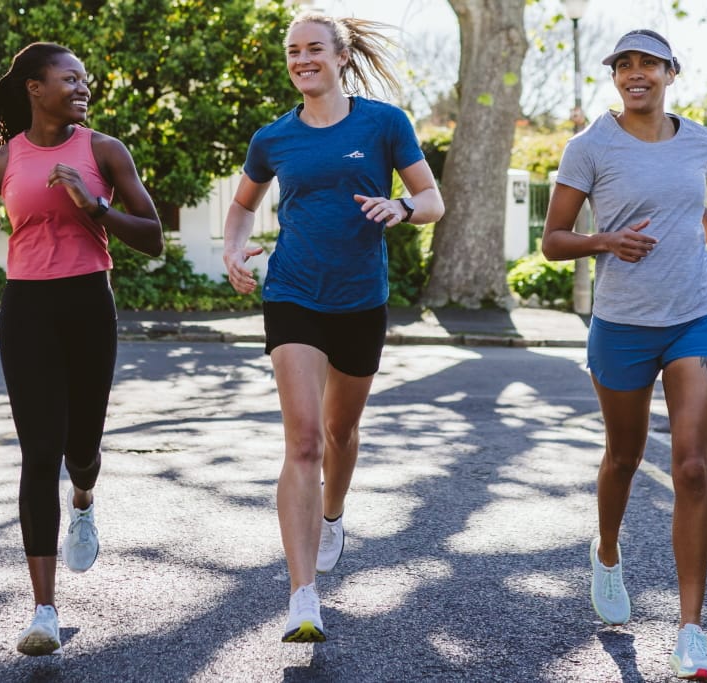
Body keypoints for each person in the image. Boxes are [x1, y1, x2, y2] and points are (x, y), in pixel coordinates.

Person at [542, 29, 707, 682]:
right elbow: (553, 242)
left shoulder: (698, 139)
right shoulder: (590, 146)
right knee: (623, 456)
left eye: (648, 62)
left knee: (694, 466)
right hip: (621, 325)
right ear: (615, 77)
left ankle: (690, 632)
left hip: (695, 317)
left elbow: (692, 211)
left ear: (672, 72)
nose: (635, 72)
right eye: (624, 64)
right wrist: (605, 241)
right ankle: (608, 550)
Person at [223, 11, 444, 643]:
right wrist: (235, 253)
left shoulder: (384, 124)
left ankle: (333, 511)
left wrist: (401, 206)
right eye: (292, 51)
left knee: (342, 432)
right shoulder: (273, 138)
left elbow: (432, 200)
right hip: (293, 293)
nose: (301, 60)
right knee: (304, 441)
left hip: (360, 301)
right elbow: (242, 205)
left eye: (313, 49)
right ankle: (302, 596)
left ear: (341, 57)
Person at [0, 42, 163, 656]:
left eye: (85, 79)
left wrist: (94, 205)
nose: (83, 87)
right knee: (38, 451)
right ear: (34, 87)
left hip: (86, 305)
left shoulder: (104, 150)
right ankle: (43, 610)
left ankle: (85, 498)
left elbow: (152, 238)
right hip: (26, 308)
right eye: (69, 78)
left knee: (81, 449)